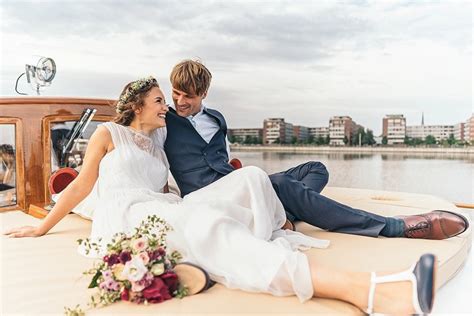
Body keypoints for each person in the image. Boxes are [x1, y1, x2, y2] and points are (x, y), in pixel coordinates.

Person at [4, 77, 436, 314]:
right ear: (137, 106)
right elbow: (82, 185)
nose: (165, 107)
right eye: (159, 101)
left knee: (249, 181)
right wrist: (41, 227)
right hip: (127, 216)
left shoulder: (158, 145)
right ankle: (371, 291)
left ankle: (258, 230)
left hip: (161, 206)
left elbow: (170, 185)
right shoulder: (108, 133)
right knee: (208, 224)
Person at [164, 59, 468, 240]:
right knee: (283, 184)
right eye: (175, 93)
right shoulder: (164, 121)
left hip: (239, 184)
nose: (179, 101)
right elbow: (149, 158)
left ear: (203, 93)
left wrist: (237, 171)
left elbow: (224, 157)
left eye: (187, 96)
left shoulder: (217, 119)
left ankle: (285, 217)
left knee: (315, 169)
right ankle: (393, 227)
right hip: (210, 195)